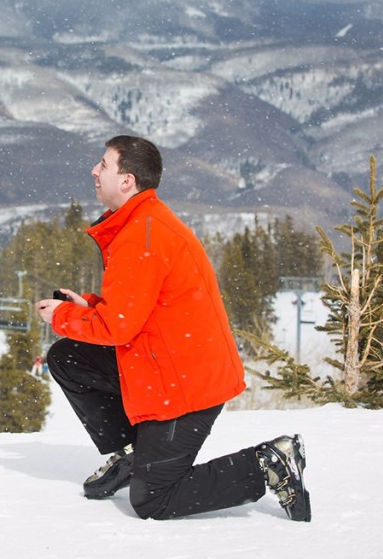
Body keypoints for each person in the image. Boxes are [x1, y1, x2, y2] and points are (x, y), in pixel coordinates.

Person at [35, 135, 311, 522]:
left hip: (186, 385)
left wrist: (61, 317)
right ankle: (133, 454)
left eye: (104, 164)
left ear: (127, 180)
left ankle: (267, 464)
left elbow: (116, 328)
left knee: (153, 500)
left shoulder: (142, 235)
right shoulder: (144, 222)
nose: (94, 171)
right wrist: (88, 307)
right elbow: (139, 311)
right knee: (68, 357)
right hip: (166, 361)